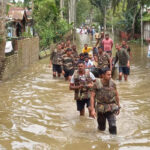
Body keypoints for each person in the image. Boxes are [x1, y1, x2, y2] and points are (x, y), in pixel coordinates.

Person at [90, 67, 121, 134]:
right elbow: (92, 96)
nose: (110, 76)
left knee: (113, 126)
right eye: (108, 75)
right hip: (101, 108)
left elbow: (116, 95)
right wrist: (92, 110)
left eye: (110, 74)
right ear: (103, 75)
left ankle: (113, 142)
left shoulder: (113, 83)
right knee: (102, 128)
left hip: (111, 107)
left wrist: (118, 106)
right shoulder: (96, 84)